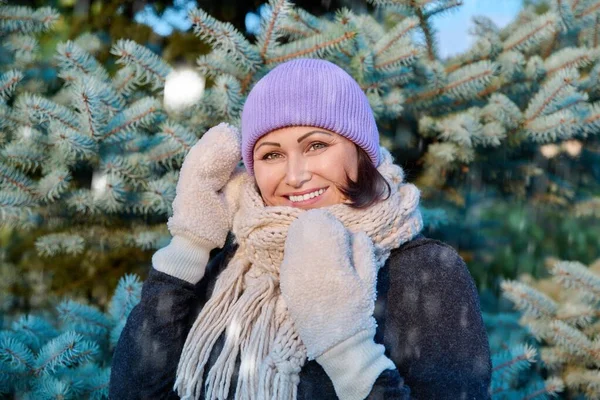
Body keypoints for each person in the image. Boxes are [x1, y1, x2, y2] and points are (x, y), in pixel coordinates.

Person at [109, 58, 491, 400]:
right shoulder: (233, 266)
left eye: (316, 145)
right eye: (272, 154)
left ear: (360, 152)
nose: (295, 175)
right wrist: (190, 244)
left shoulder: (427, 271)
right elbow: (133, 391)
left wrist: (347, 348)